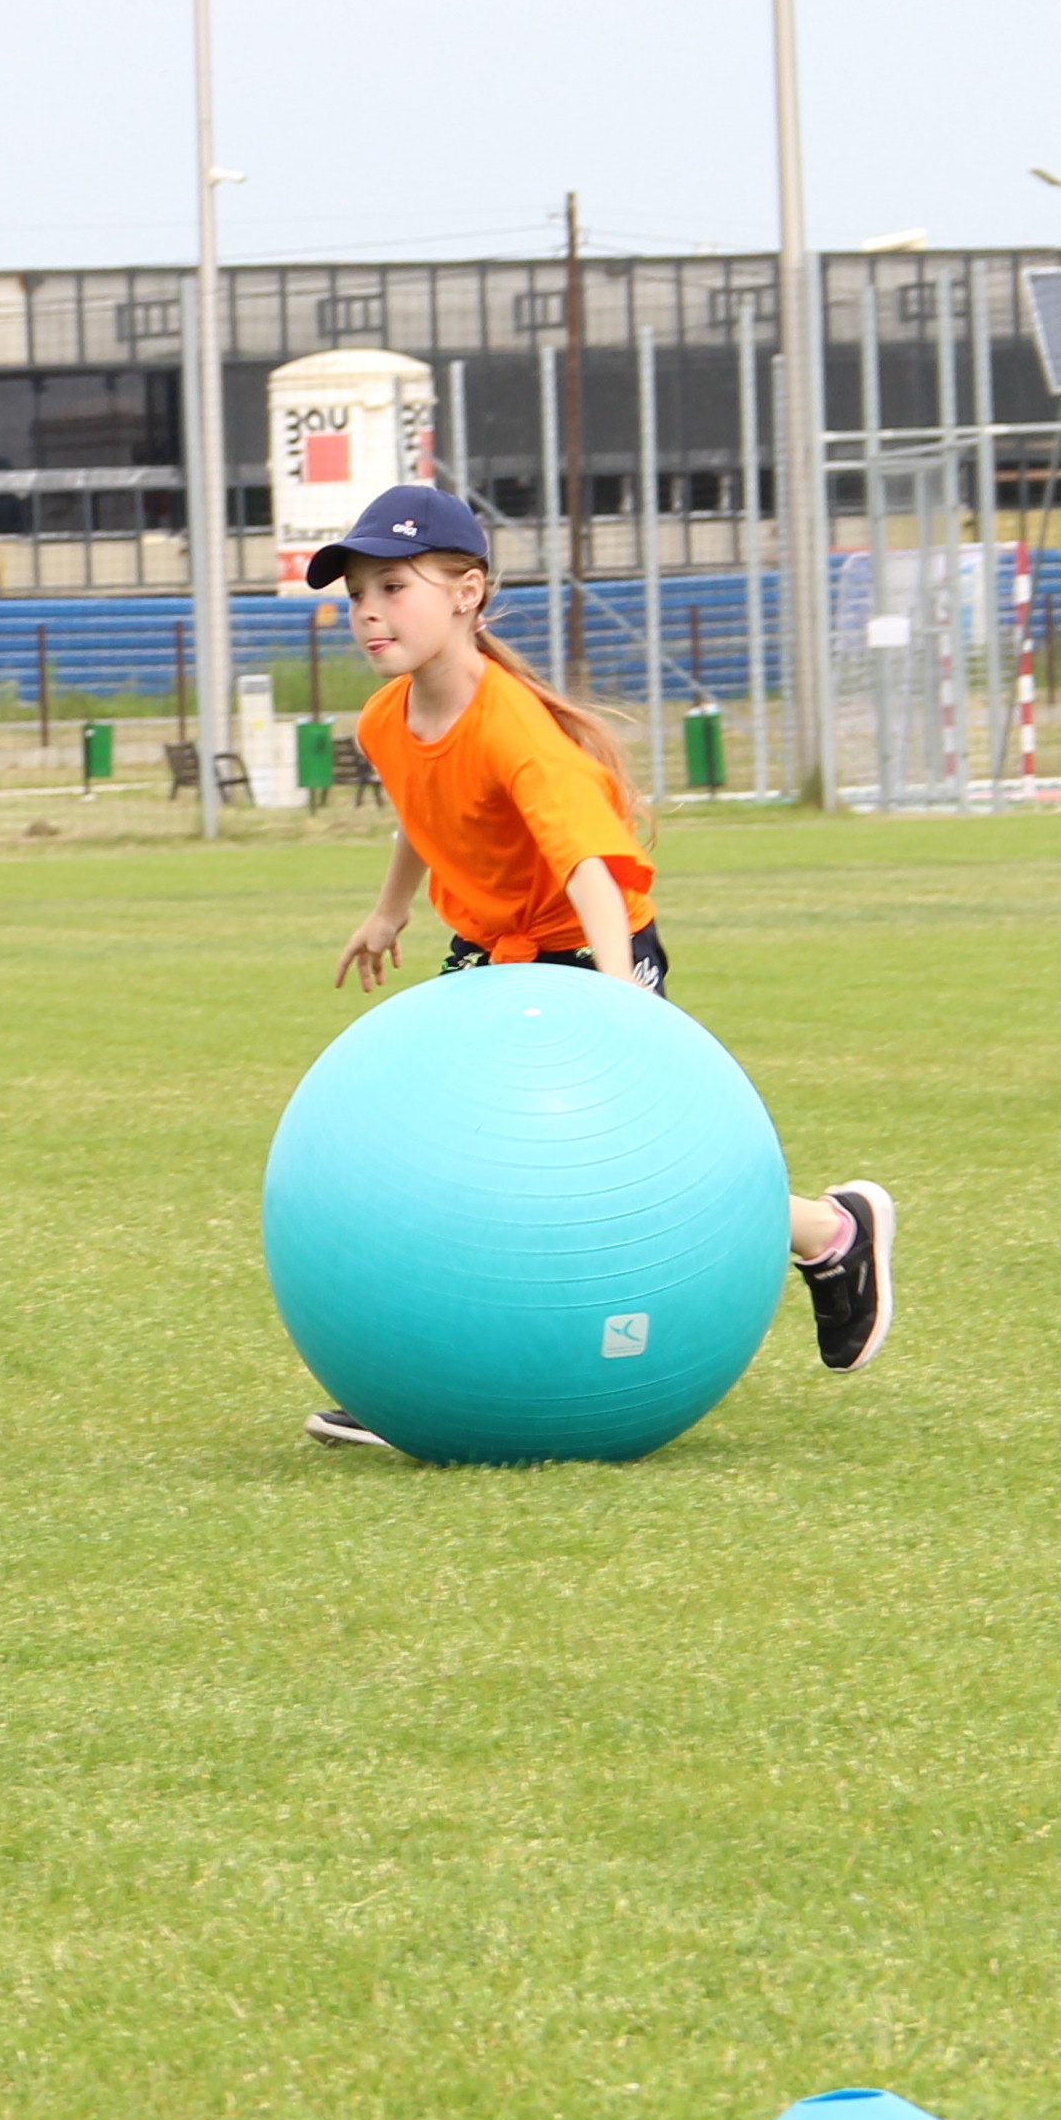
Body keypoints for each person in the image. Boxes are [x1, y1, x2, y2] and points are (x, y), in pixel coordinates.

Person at [300, 480, 898, 1449]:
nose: (368, 610)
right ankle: (416, 1378)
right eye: (357, 591)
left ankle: (832, 1236)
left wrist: (619, 997)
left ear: (468, 592)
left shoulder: (515, 730)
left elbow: (591, 868)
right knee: (460, 1158)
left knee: (634, 1175)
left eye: (395, 587)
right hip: (491, 951)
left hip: (591, 943)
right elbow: (422, 809)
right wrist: (388, 910)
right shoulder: (383, 720)